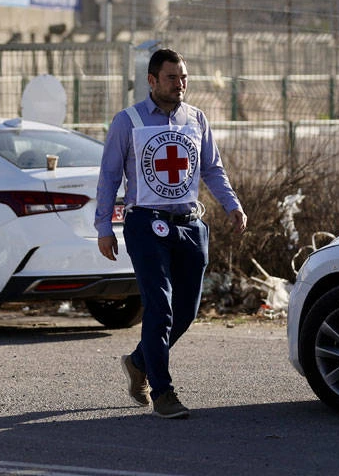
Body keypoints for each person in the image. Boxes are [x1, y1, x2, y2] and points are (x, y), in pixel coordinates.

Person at [94, 48, 248, 419]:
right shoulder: (127, 121)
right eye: (171, 78)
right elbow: (110, 177)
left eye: (183, 78)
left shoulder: (196, 119)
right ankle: (162, 392)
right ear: (151, 80)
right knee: (159, 307)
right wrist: (104, 227)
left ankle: (138, 361)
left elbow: (212, 168)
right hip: (146, 223)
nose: (179, 85)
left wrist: (233, 204)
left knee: (186, 311)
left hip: (190, 225)